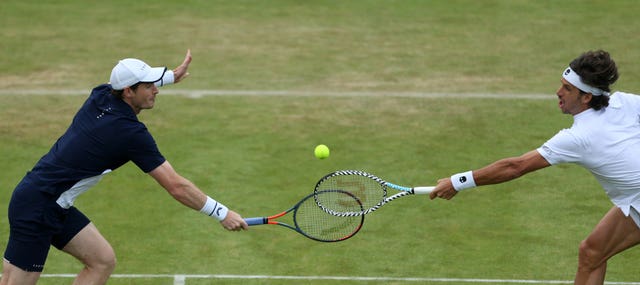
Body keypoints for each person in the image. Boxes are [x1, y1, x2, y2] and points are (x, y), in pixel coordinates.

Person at [1, 50, 249, 285]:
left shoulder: (101, 95)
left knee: (102, 260)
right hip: (38, 209)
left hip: (49, 202)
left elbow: (126, 83)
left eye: (155, 83)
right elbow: (176, 186)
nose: (156, 90)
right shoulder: (129, 133)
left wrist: (171, 76)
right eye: (149, 86)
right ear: (129, 91)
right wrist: (222, 213)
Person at [429, 50, 640, 285]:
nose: (558, 92)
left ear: (586, 97)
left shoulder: (578, 137)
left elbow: (515, 167)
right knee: (592, 253)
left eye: (567, 89)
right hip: (634, 200)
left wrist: (457, 182)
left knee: (593, 252)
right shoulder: (625, 102)